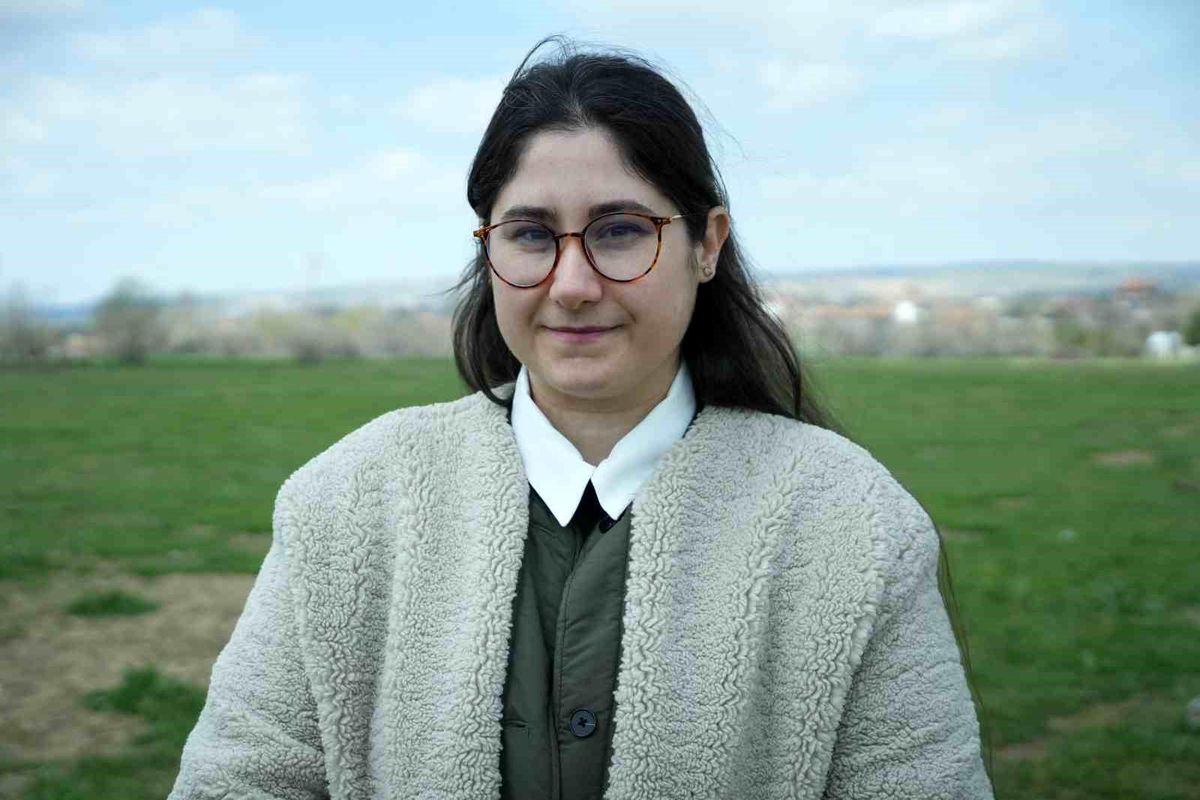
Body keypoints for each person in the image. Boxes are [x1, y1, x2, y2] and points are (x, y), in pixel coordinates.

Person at [169, 36, 994, 800]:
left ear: (707, 244)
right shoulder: (348, 502)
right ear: (488, 247)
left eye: (621, 230)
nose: (571, 285)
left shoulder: (854, 525)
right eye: (531, 235)